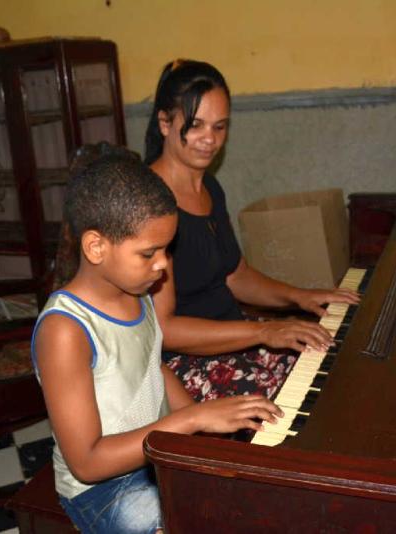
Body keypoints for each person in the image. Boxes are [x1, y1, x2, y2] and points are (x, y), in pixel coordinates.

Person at [31, 146, 284, 533]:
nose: (164, 264)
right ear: (96, 246)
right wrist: (192, 419)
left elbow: (154, 365)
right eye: (149, 252)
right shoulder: (66, 330)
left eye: (167, 249)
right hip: (102, 488)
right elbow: (87, 461)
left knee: (254, 501)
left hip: (157, 453)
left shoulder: (141, 294)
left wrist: (202, 435)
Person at [144, 60, 359, 401]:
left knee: (332, 361)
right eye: (196, 125)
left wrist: (301, 296)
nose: (209, 140)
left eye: (220, 127)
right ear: (165, 123)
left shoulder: (210, 188)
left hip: (234, 337)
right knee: (294, 399)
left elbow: (235, 275)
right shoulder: (149, 201)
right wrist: (264, 331)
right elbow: (164, 330)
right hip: (183, 361)